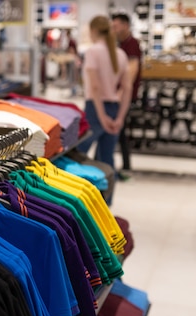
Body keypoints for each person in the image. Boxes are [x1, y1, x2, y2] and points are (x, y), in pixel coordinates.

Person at [77, 16, 132, 197]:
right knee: (107, 159)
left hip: (95, 109)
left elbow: (94, 87)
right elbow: (127, 88)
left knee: (77, 156)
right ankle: (105, 205)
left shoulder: (93, 52)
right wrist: (120, 118)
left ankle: (82, 200)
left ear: (93, 31)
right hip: (114, 108)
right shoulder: (121, 54)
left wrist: (101, 117)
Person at [112, 12, 142, 177]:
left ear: (125, 25)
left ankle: (123, 166)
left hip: (125, 96)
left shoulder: (132, 44)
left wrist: (121, 93)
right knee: (120, 131)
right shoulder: (119, 44)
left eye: (116, 26)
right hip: (119, 94)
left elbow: (132, 70)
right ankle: (124, 165)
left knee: (119, 130)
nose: (114, 29)